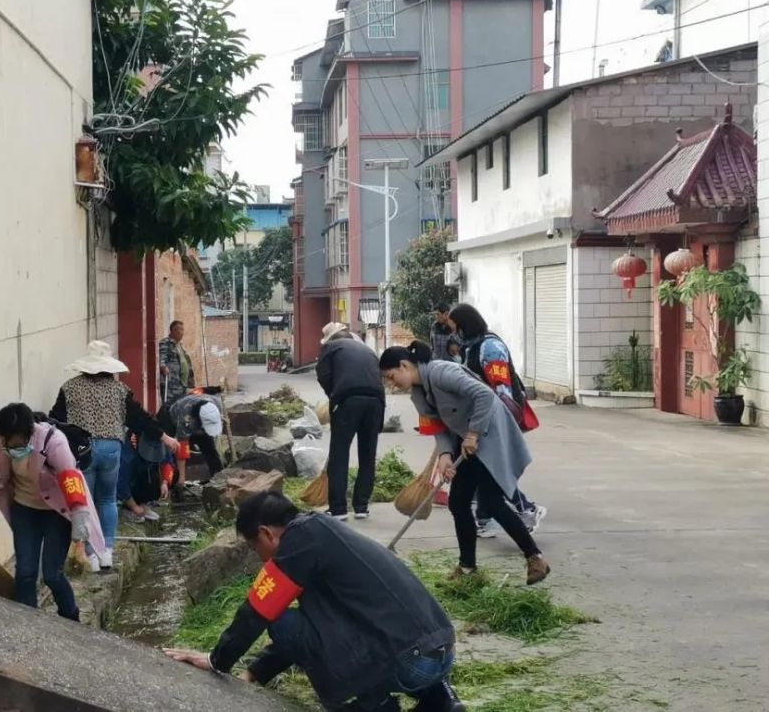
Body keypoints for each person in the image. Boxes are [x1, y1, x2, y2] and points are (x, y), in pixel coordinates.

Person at [163, 492, 465, 712]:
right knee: (308, 625)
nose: (261, 558)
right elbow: (314, 632)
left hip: (408, 662)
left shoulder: (297, 544)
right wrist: (256, 673)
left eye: (256, 548)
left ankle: (375, 706)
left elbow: (258, 612)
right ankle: (438, 699)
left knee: (282, 622)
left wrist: (217, 660)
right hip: (440, 653)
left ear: (266, 533)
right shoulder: (323, 531)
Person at [379, 341, 550, 586]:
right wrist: (445, 455)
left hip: (490, 435)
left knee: (491, 502)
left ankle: (535, 558)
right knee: (458, 502)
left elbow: (485, 395)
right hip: (466, 442)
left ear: (405, 365)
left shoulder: (441, 372)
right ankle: (467, 567)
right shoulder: (418, 393)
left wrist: (473, 434)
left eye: (391, 376)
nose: (391, 383)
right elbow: (438, 426)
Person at [0, 402, 104, 621]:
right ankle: (28, 623)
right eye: (5, 443)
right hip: (24, 509)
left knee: (52, 575)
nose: (10, 448)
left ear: (30, 434)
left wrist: (80, 530)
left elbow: (72, 482)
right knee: (25, 573)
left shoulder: (54, 443)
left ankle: (71, 617)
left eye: (16, 445)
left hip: (56, 512)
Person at [50, 341, 178, 570]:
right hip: (111, 449)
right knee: (107, 500)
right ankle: (107, 552)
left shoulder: (69, 388)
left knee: (86, 503)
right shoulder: (119, 390)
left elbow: (55, 420)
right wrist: (165, 437)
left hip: (83, 450)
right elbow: (140, 418)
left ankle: (90, 555)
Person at [447, 303, 547, 538]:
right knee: (486, 473)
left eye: (456, 328)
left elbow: (502, 391)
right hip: (481, 419)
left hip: (498, 419)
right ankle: (486, 519)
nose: (454, 334)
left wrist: (486, 426)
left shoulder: (490, 348)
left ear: (466, 325)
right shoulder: (471, 348)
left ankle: (527, 510)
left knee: (494, 471)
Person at [316, 322, 385, 520]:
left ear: (330, 339)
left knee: (339, 454)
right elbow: (377, 377)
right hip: (376, 402)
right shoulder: (366, 349)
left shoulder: (329, 348)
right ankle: (362, 507)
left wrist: (334, 396)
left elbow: (324, 376)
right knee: (367, 454)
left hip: (348, 401)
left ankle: (338, 509)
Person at [161, 390, 225, 482]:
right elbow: (182, 447)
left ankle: (218, 479)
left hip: (195, 415)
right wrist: (182, 476)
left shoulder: (217, 404)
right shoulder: (185, 417)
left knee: (210, 449)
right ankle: (172, 481)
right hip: (170, 416)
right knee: (171, 450)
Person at [117, 432, 178, 523]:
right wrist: (134, 507)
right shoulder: (129, 453)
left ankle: (142, 502)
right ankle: (125, 506)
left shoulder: (161, 445)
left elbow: (168, 463)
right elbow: (121, 482)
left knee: (173, 475)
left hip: (146, 475)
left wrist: (164, 482)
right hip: (129, 482)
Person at [159, 320, 195, 407]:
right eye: (177, 329)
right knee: (170, 406)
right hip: (171, 384)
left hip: (182, 384)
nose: (180, 332)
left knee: (180, 407)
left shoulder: (180, 345)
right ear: (171, 331)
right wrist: (163, 367)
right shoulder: (166, 342)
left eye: (182, 330)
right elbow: (161, 358)